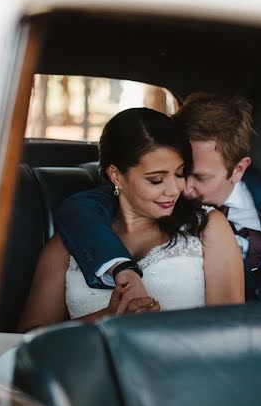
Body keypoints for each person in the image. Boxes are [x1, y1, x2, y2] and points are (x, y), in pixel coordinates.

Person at [55, 93, 261, 306]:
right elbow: (81, 207)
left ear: (238, 169)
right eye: (179, 171)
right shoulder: (151, 201)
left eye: (198, 177)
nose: (180, 188)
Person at [17, 107, 243, 332]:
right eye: (156, 180)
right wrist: (105, 319)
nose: (175, 190)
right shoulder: (69, 242)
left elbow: (230, 332)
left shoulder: (208, 227)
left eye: (180, 173)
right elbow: (28, 336)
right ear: (117, 176)